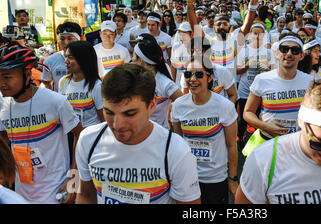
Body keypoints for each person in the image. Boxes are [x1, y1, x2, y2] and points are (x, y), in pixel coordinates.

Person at [75, 63, 201, 204]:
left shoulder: (175, 151)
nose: (118, 125)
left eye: (130, 114)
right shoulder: (88, 140)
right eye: (109, 112)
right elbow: (85, 194)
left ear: (152, 105)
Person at [0, 42, 83, 203]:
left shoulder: (55, 101)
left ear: (27, 74)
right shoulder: (2, 104)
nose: (2, 83)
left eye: (7, 77)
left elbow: (81, 136)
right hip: (20, 192)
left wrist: (73, 181)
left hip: (56, 190)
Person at [171, 57, 238, 204]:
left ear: (210, 78)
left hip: (215, 178)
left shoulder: (225, 106)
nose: (192, 79)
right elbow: (178, 143)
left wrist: (232, 179)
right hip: (188, 176)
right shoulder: (178, 106)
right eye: (188, 75)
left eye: (199, 74)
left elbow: (232, 145)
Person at [242, 33, 313, 157]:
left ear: (301, 56)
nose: (289, 53)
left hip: (297, 145)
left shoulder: (309, 81)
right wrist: (266, 126)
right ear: (277, 53)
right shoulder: (262, 79)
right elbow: (247, 113)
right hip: (267, 143)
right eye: (284, 49)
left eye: (295, 50)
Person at [132, 34, 183, 129]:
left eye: (134, 56)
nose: (132, 59)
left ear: (142, 60)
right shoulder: (135, 77)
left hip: (160, 135)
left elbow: (184, 103)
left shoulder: (165, 83)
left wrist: (174, 121)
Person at [236, 23, 274, 148]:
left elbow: (275, 72)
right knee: (242, 118)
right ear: (250, 35)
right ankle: (240, 138)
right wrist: (247, 65)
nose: (257, 36)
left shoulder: (269, 52)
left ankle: (256, 143)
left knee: (258, 118)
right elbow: (236, 70)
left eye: (260, 34)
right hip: (244, 90)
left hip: (261, 92)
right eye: (254, 33)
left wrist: (267, 69)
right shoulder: (244, 50)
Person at [59, 41, 104, 128]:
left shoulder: (96, 86)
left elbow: (103, 119)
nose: (66, 61)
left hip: (90, 136)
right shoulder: (63, 82)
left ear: (83, 59)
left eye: (70, 57)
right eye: (66, 57)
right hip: (70, 134)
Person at [41, 22, 82, 92]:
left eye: (70, 38)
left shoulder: (89, 57)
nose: (66, 42)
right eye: (62, 39)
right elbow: (46, 83)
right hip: (60, 101)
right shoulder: (50, 61)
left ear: (79, 39)